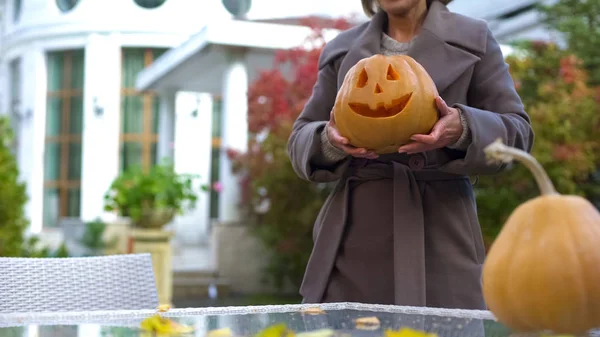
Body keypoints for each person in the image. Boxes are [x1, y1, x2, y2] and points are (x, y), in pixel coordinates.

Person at [287, 0, 534, 309]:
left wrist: (463, 128)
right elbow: (299, 138)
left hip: (442, 234)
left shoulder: (475, 38)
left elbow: (518, 134)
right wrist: (329, 140)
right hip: (354, 240)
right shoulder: (342, 49)